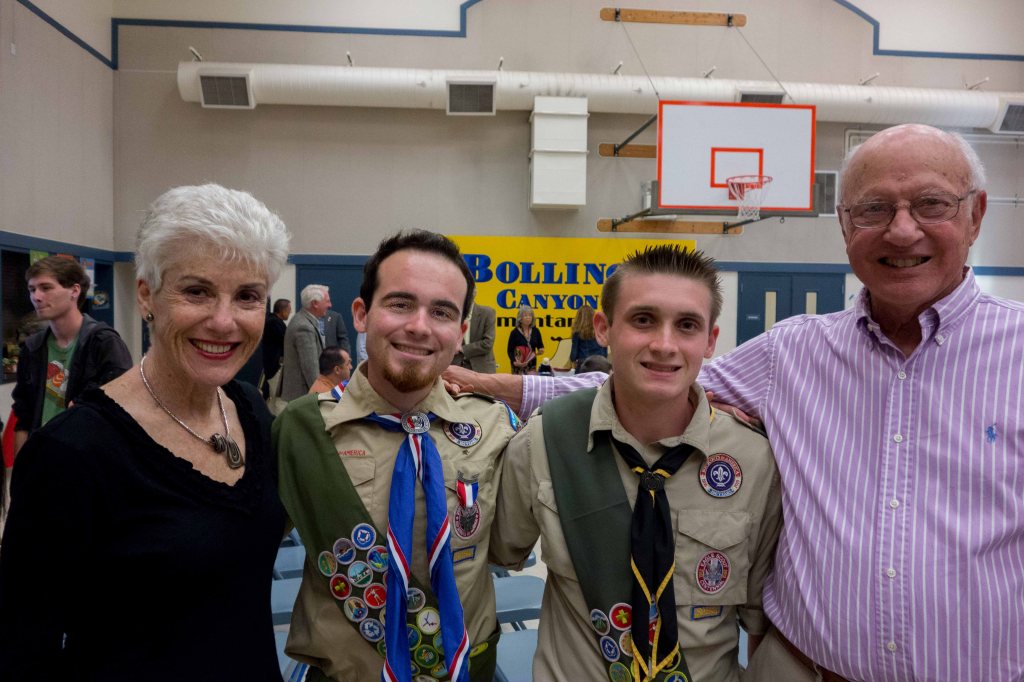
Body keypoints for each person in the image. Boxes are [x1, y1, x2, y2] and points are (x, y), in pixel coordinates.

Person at [476, 124, 1024, 681]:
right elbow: (653, 383)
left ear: (976, 214)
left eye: (931, 204)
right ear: (843, 224)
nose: (902, 230)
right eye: (874, 208)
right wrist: (488, 384)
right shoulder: (792, 352)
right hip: (801, 668)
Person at [0, 184, 290, 680]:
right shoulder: (72, 453)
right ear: (146, 294)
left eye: (247, 296)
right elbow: (22, 646)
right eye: (196, 291)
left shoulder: (251, 413)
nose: (224, 321)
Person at [491, 245, 782, 682]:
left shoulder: (754, 460)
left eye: (686, 325)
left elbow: (761, 624)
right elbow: (491, 556)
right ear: (605, 328)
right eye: (643, 320)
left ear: (710, 341)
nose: (664, 345)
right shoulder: (545, 441)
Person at [274, 230, 521, 681]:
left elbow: (511, 550)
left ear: (461, 332)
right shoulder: (302, 430)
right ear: (362, 314)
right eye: (401, 304)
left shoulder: (495, 428)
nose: (420, 326)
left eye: (442, 312)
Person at [11, 255, 132, 456]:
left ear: (74, 291)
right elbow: (24, 416)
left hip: (88, 458)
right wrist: (21, 471)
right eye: (32, 290)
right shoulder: (33, 348)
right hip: (43, 454)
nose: (36, 297)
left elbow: (123, 406)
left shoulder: (103, 343)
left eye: (46, 288)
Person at [281, 284, 331, 400]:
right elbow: (311, 368)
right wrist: (321, 397)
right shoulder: (304, 327)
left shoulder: (302, 320)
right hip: (303, 395)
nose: (330, 305)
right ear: (315, 304)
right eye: (327, 301)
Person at [453, 300, 497, 373]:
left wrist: (462, 349)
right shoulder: (451, 313)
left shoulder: (487, 313)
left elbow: (487, 343)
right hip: (455, 369)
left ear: (474, 292)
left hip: (482, 370)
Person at [262, 297, 291, 397]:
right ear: (282, 310)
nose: (289, 313)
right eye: (288, 311)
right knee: (274, 395)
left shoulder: (271, 321)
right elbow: (285, 342)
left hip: (270, 364)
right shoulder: (275, 323)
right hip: (275, 365)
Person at [568, 303, 606, 373]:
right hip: (600, 366)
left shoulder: (577, 332)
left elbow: (573, 356)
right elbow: (604, 352)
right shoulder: (599, 331)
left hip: (583, 367)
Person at [507, 304, 543, 374]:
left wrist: (541, 350)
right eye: (525, 316)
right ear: (520, 318)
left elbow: (540, 346)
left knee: (531, 383)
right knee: (518, 384)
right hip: (518, 365)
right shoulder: (514, 332)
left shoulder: (536, 331)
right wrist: (514, 362)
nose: (528, 318)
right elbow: (510, 350)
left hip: (531, 364)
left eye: (530, 316)